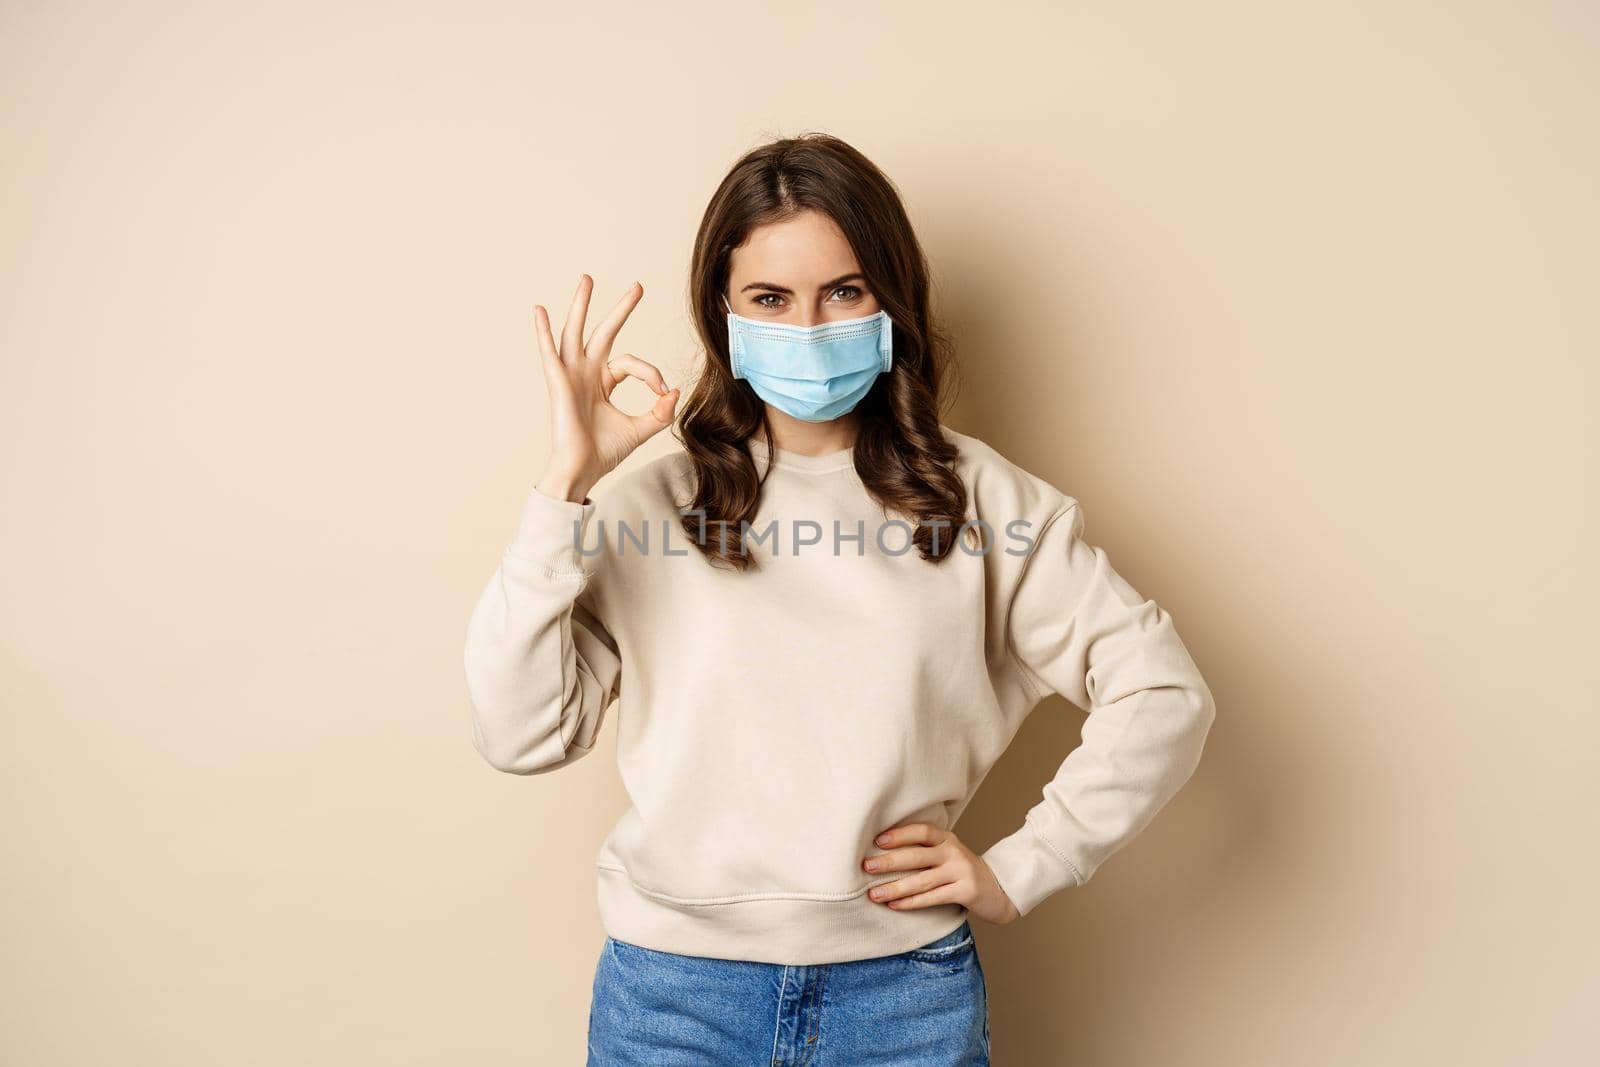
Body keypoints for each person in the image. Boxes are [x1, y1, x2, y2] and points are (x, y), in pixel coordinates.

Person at [463, 132, 1217, 1066]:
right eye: (771, 299)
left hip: (903, 1002)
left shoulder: (987, 505)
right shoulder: (651, 507)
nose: (809, 329)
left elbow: (1163, 692)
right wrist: (565, 485)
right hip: (671, 1001)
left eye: (844, 292)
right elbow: (520, 732)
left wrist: (1026, 865)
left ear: (892, 302)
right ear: (724, 315)